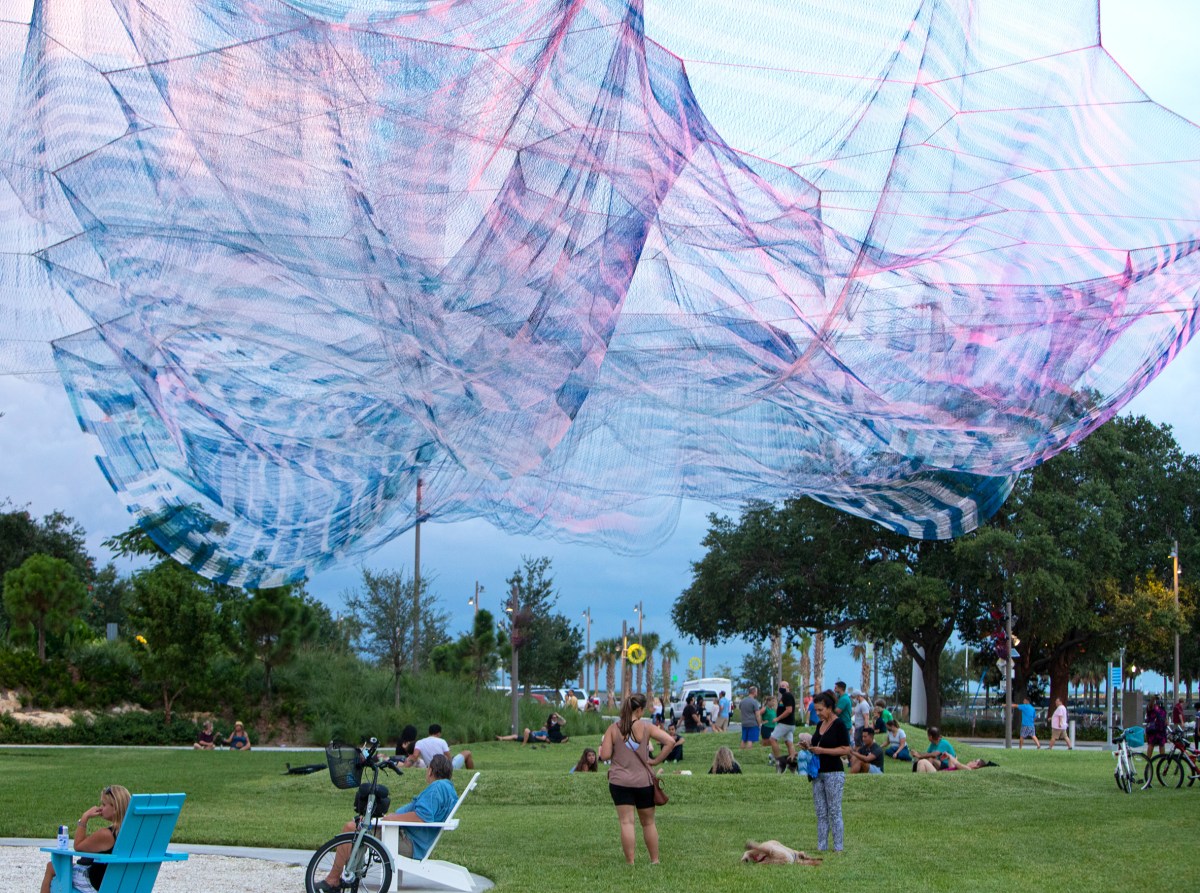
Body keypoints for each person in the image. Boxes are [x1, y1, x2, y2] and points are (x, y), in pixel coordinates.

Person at [315, 753, 458, 891]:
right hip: (410, 837)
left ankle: (333, 880)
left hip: (408, 842)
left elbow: (422, 817)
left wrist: (392, 818)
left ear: (431, 771)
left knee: (351, 828)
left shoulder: (437, 788)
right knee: (359, 825)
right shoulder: (448, 788)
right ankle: (349, 875)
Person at [598, 693, 677, 864]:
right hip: (643, 782)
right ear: (639, 709)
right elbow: (670, 741)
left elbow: (604, 756)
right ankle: (655, 860)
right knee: (648, 823)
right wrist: (655, 760)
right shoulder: (647, 727)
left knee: (626, 823)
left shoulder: (613, 728)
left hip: (619, 782)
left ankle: (630, 862)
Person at [40, 784, 131, 893]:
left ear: (115, 808)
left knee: (51, 867)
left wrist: (84, 818)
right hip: (124, 882)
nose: (100, 807)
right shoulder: (133, 833)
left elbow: (78, 846)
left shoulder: (107, 834)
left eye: (104, 804)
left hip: (97, 883)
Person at [809, 690, 850, 853]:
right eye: (816, 710)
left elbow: (846, 749)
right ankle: (822, 846)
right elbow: (816, 744)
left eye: (820, 709)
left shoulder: (839, 725)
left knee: (834, 810)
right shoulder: (820, 725)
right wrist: (808, 748)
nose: (817, 713)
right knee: (821, 811)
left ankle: (838, 847)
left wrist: (823, 751)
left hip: (834, 773)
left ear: (830, 707)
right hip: (818, 773)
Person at [768, 681, 797, 766]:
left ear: (788, 687)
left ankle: (778, 760)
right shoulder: (784, 696)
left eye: (783, 686)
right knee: (789, 742)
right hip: (790, 724)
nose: (781, 687)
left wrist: (778, 718)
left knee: (772, 739)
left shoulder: (787, 695)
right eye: (780, 686)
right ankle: (793, 762)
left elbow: (789, 710)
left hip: (785, 724)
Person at [738, 686, 762, 751]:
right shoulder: (754, 702)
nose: (757, 693)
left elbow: (740, 710)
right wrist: (759, 724)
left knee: (744, 739)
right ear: (754, 692)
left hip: (744, 723)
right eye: (756, 691)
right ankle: (748, 752)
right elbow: (757, 715)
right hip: (752, 723)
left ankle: (741, 751)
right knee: (750, 740)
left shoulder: (742, 701)